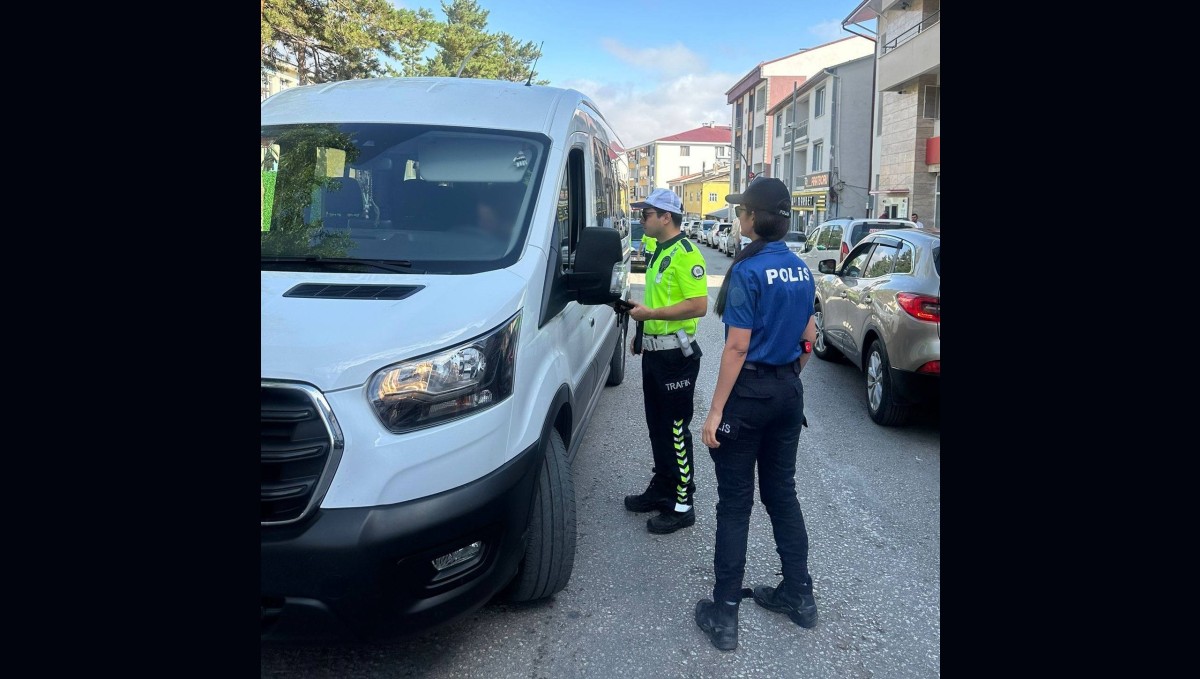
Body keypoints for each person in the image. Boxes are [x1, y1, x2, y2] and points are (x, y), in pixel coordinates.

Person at [692, 176, 820, 652]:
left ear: (753, 218)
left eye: (741, 210)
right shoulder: (799, 268)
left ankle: (724, 614)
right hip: (787, 391)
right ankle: (799, 596)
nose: (738, 217)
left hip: (748, 397)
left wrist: (715, 411)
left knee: (735, 504)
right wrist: (789, 380)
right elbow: (808, 337)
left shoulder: (747, 272)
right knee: (782, 495)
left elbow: (737, 346)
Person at [623, 187, 709, 534]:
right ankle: (663, 488)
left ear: (665, 217)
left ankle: (683, 502)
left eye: (646, 214)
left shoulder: (687, 254)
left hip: (677, 357)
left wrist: (651, 313)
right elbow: (657, 301)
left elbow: (698, 305)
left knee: (675, 429)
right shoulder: (659, 251)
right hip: (656, 353)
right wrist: (641, 329)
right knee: (657, 426)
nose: (641, 219)